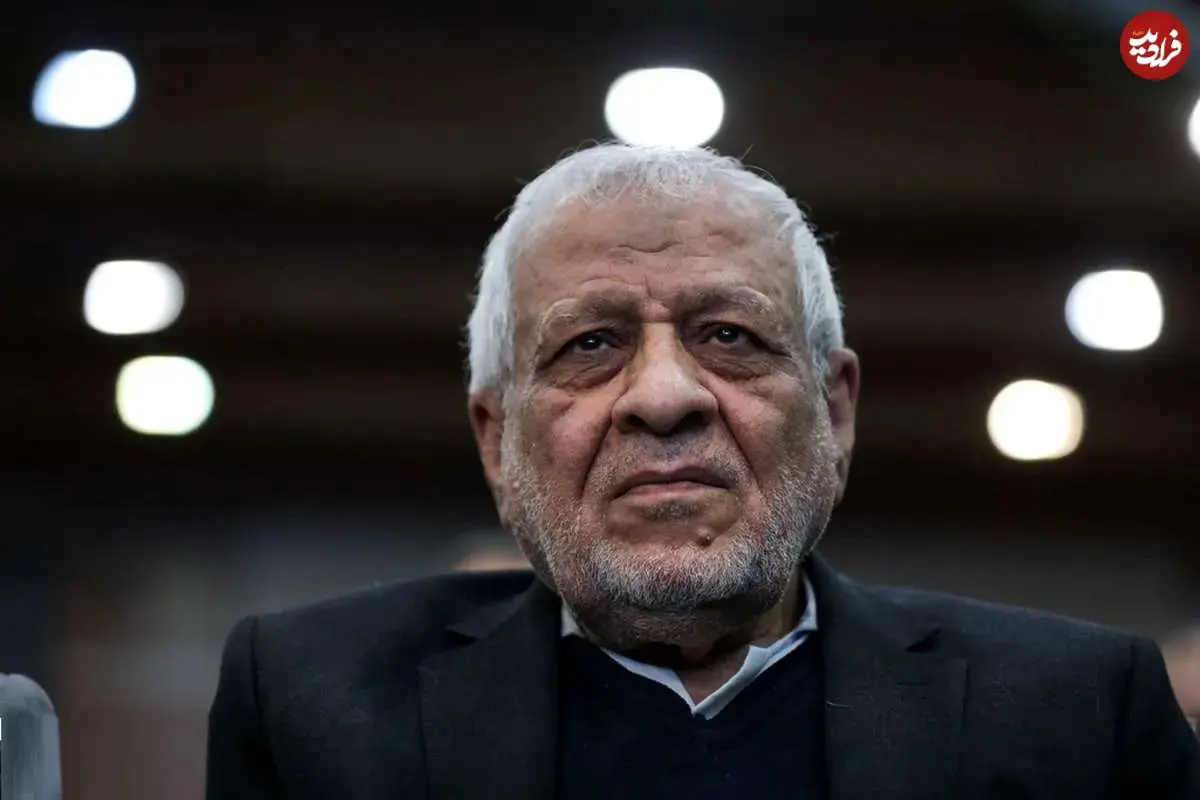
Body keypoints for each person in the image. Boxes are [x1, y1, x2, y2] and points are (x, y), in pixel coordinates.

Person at [206, 144, 1200, 799]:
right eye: (591, 344)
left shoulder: (1080, 712)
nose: (664, 395)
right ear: (496, 442)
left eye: (729, 335)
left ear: (836, 411)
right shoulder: (309, 705)